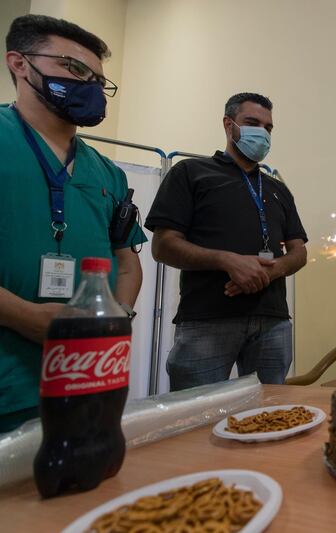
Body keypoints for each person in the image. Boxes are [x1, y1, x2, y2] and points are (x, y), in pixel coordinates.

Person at [0, 15, 145, 432]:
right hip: (10, 381)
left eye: (99, 80)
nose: (91, 86)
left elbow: (129, 261)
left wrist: (115, 323)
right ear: (19, 63)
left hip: (87, 375)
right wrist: (24, 315)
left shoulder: (107, 174)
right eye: (74, 68)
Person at [146, 92, 307, 391]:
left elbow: (299, 252)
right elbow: (163, 245)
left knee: (270, 417)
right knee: (194, 418)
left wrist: (269, 271)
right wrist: (227, 261)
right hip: (208, 319)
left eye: (269, 127)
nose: (262, 132)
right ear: (228, 124)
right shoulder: (190, 172)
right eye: (252, 122)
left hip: (273, 321)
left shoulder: (277, 188)